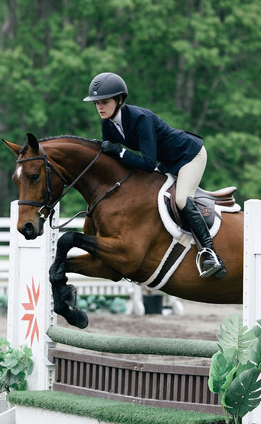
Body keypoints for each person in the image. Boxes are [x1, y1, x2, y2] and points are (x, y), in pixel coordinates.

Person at [83, 72, 226, 279]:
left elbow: (148, 164)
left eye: (104, 102)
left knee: (182, 199)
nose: (100, 107)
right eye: (97, 103)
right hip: (166, 161)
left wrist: (120, 151)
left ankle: (209, 253)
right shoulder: (107, 123)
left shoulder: (140, 118)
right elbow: (110, 157)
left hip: (189, 155)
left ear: (119, 100)